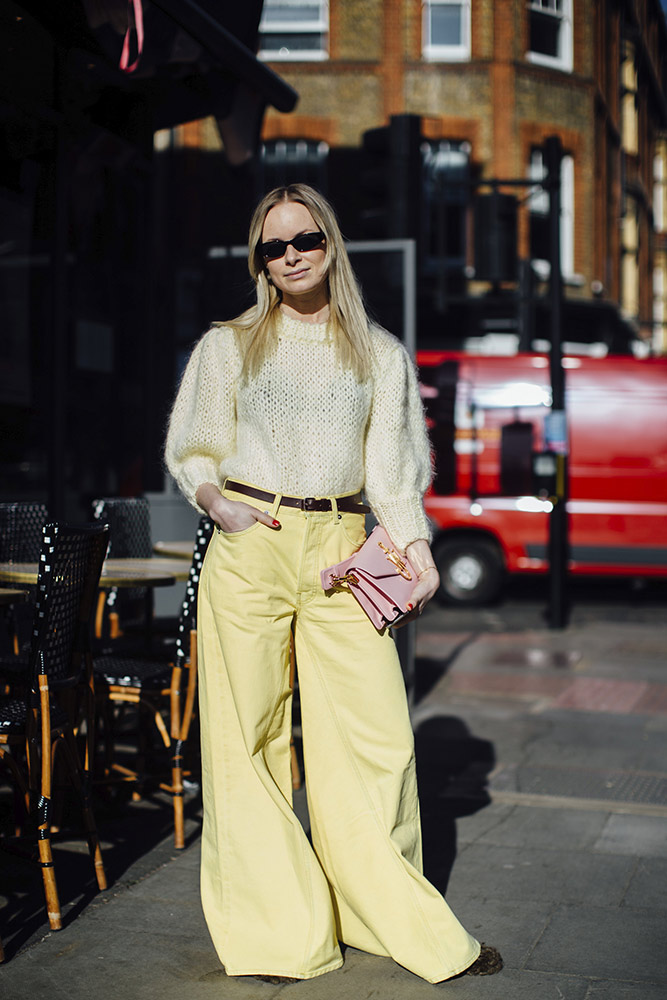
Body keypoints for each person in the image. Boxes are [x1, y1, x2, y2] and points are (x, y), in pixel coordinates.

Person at [165, 184, 502, 984]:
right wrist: (217, 505)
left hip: (343, 549)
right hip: (250, 544)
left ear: (330, 243)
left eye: (304, 240)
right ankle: (283, 930)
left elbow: (392, 476)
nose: (290, 258)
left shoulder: (378, 353)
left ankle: (391, 920)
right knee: (246, 741)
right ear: (258, 261)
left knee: (378, 739)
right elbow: (195, 447)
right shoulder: (230, 343)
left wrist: (415, 555)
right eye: (272, 248)